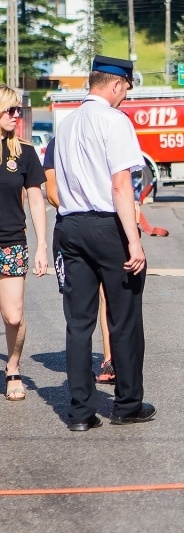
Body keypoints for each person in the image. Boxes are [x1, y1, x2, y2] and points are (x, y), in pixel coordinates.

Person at [54, 55, 154, 431]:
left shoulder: (66, 125)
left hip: (71, 225)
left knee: (78, 323)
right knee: (123, 318)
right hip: (108, 227)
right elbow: (120, 185)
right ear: (115, 84)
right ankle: (128, 405)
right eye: (126, 88)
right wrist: (134, 241)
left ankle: (80, 414)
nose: (126, 96)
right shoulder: (115, 122)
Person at [43, 138, 115, 385]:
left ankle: (109, 359)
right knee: (78, 305)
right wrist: (79, 213)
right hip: (69, 229)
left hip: (102, 228)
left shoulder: (102, 140)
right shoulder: (58, 144)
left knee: (109, 296)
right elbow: (51, 192)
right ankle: (82, 372)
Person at [0, 84, 48, 401]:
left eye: (19, 110)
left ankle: (13, 367)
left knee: (13, 316)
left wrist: (42, 244)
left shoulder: (25, 153)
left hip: (11, 242)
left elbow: (35, 201)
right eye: (11, 110)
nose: (17, 116)